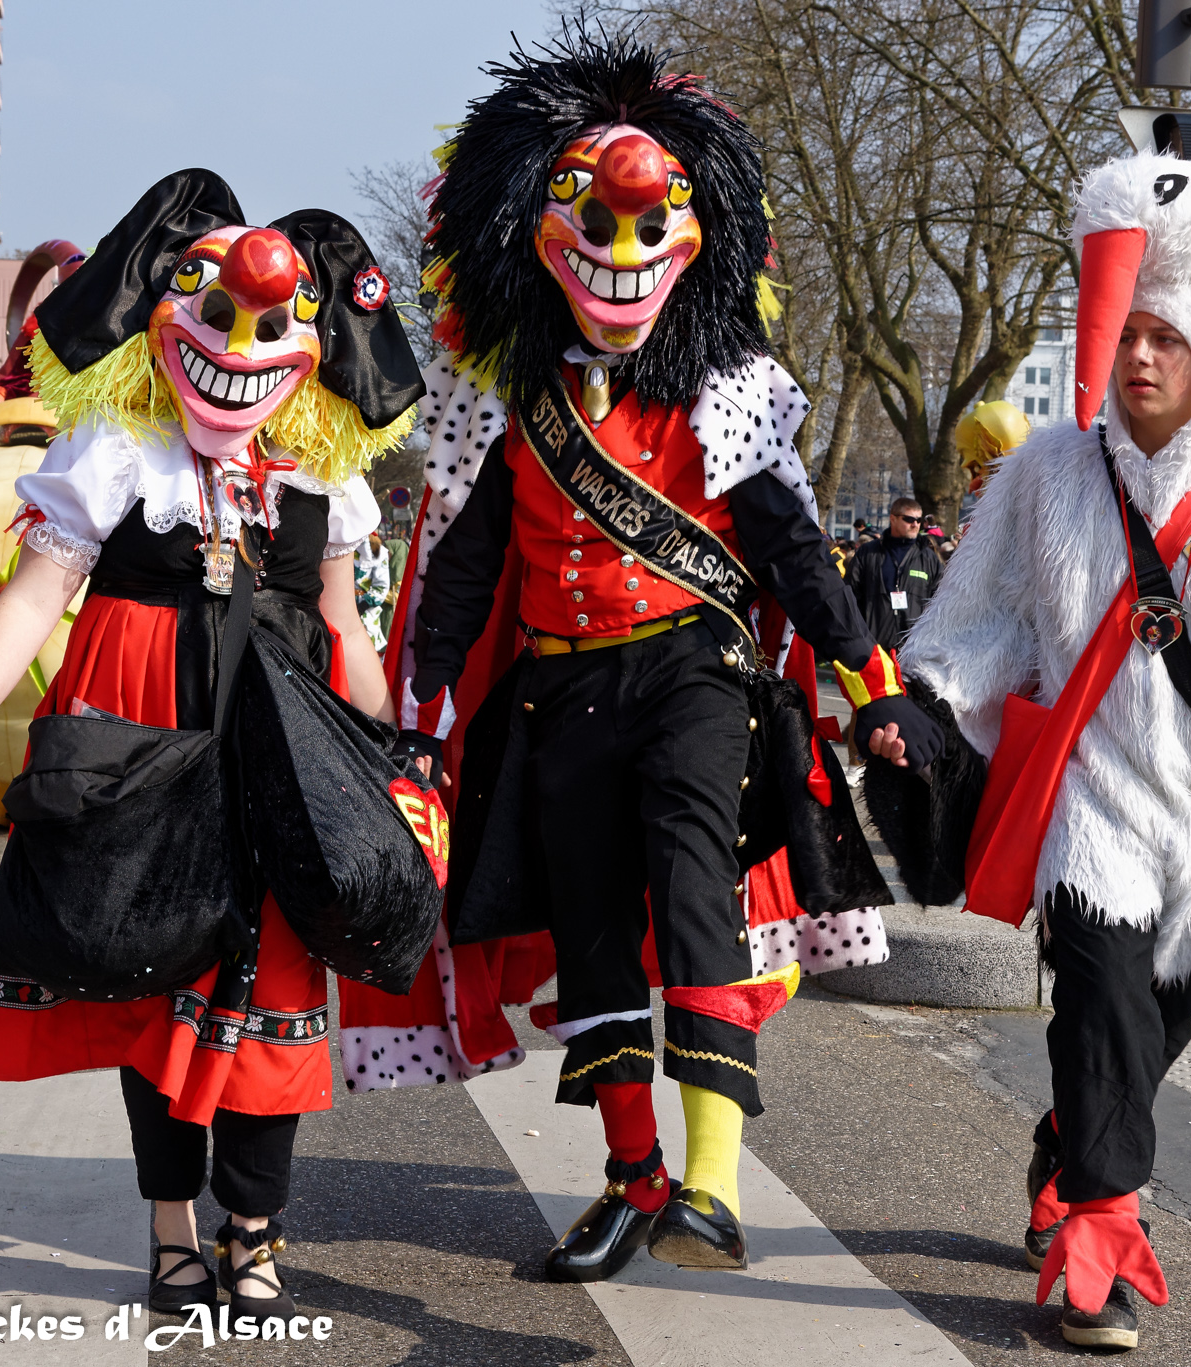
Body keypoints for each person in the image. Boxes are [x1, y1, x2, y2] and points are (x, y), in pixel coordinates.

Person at [387, 33, 930, 1285]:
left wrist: (868, 677)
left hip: (693, 674)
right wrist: (417, 700)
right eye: (592, 222)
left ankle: (712, 1187)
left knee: (694, 896)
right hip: (558, 691)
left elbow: (795, 552)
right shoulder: (498, 401)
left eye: (652, 226)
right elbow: (465, 572)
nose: (621, 255)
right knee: (587, 931)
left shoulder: (729, 386)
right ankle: (631, 1178)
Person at [888, 153, 1191, 1350]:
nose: (1142, 356)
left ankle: (1070, 1146)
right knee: (1098, 1003)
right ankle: (1102, 1243)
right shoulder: (1044, 477)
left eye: (1167, 334)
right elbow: (976, 626)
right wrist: (916, 709)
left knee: (1162, 1016)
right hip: (1087, 804)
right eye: (1127, 332)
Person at [0, 171, 424, 1326]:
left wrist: (383, 761)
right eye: (218, 311)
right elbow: (37, 590)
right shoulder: (115, 445)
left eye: (273, 321)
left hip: (284, 748)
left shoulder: (323, 475)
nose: (241, 341)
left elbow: (342, 626)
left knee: (276, 986)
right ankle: (169, 1225)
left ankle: (254, 1225)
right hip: (139, 726)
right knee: (153, 975)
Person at [845, 495, 947, 652]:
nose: (915, 524)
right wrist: (858, 638)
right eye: (909, 519)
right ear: (893, 519)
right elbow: (850, 596)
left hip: (913, 650)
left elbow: (940, 602)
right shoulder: (868, 553)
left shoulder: (928, 557)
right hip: (873, 648)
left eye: (919, 520)